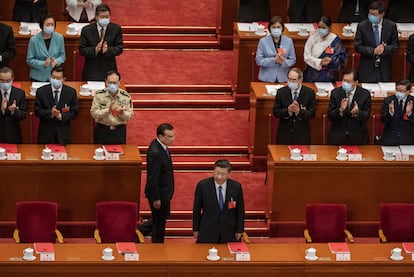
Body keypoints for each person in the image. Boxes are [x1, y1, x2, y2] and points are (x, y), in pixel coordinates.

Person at [193, 159, 245, 243]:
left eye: (223, 174)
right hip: (207, 230)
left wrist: (239, 229)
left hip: (229, 231)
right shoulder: (203, 186)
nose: (219, 177)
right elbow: (196, 209)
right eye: (217, 173)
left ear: (229, 174)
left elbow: (240, 210)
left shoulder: (236, 187)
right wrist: (195, 228)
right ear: (213, 171)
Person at [143, 123, 175, 243]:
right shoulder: (156, 152)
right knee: (159, 224)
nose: (173, 139)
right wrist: (156, 198)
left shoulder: (161, 146)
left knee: (160, 218)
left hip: (165, 192)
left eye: (173, 135)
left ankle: (140, 231)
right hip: (159, 194)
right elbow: (153, 177)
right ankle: (157, 245)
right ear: (161, 137)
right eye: (169, 136)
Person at [354, 1, 398, 83]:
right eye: (370, 14)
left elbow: (395, 46)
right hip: (367, 68)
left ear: (382, 14)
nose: (371, 16)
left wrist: (384, 49)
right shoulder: (362, 26)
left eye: (374, 15)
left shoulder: (391, 26)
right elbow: (358, 46)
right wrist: (373, 51)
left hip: (384, 68)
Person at [34, 66, 78, 145]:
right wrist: (51, 113)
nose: (55, 80)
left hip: (63, 134)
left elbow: (74, 113)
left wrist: (60, 115)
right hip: (46, 134)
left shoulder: (71, 92)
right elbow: (37, 111)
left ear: (64, 79)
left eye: (58, 78)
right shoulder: (41, 91)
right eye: (53, 77)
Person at [79, 4, 123, 81]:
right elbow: (82, 49)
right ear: (96, 17)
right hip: (91, 68)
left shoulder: (116, 29)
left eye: (107, 17)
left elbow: (119, 48)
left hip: (109, 68)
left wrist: (108, 50)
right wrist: (95, 50)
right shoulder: (87, 30)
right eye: (102, 17)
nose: (105, 19)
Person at [272, 67, 316, 145]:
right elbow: (276, 112)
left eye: (294, 80)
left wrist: (298, 111)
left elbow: (312, 113)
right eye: (289, 79)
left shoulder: (309, 93)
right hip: (284, 134)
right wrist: (288, 110)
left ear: (300, 80)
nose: (291, 82)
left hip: (302, 135)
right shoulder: (281, 92)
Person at [327, 69, 371, 145]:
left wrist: (358, 112)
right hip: (338, 136)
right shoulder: (335, 93)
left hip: (357, 137)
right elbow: (330, 115)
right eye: (344, 80)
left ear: (356, 82)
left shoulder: (365, 94)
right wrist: (340, 110)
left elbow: (366, 115)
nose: (345, 83)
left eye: (348, 81)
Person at [90, 70, 133, 144]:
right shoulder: (99, 95)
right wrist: (108, 110)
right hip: (102, 129)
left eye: (114, 83)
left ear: (119, 82)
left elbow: (129, 116)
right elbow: (94, 113)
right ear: (106, 82)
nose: (112, 85)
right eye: (110, 82)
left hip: (119, 131)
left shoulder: (125, 96)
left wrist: (122, 113)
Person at [303, 16, 347, 82]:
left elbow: (340, 57)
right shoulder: (312, 37)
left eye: (323, 28)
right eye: (319, 27)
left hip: (329, 75)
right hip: (312, 75)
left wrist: (331, 60)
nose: (321, 30)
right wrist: (320, 62)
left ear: (329, 28)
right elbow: (306, 57)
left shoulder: (334, 40)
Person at [255, 16, 296, 83]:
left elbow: (293, 60)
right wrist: (274, 60)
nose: (276, 29)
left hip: (283, 78)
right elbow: (259, 60)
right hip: (266, 78)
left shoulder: (288, 41)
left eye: (278, 27)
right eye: (273, 27)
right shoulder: (263, 41)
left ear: (282, 28)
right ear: (270, 28)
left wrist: (283, 61)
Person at [26, 14, 66, 82]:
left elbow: (62, 56)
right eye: (47, 25)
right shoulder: (34, 40)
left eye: (52, 25)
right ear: (42, 25)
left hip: (55, 76)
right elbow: (29, 60)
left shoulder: (59, 37)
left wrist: (56, 61)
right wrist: (43, 63)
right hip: (38, 76)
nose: (50, 27)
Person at [380, 80, 414, 145]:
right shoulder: (388, 100)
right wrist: (390, 113)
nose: (399, 93)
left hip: (408, 139)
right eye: (397, 90)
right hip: (390, 138)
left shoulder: (412, 102)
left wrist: (409, 114)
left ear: (408, 92)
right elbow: (383, 120)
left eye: (402, 91)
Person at [0, 67, 26, 144]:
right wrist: (2, 110)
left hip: (13, 135)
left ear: (12, 79)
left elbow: (23, 115)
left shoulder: (20, 93)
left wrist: (14, 111)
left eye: (8, 81)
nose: (5, 83)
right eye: (2, 80)